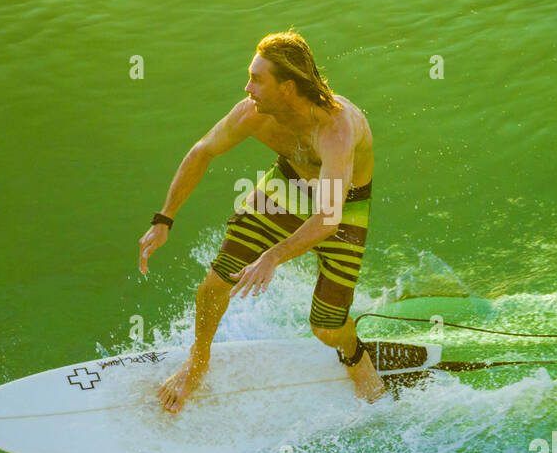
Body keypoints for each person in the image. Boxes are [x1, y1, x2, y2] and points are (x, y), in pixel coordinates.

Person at [138, 31, 383, 412]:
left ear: (287, 88)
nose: (247, 86)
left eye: (257, 79)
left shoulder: (336, 129)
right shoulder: (252, 114)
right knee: (216, 282)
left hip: (342, 205)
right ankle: (197, 364)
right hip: (288, 183)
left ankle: (355, 355)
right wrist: (163, 218)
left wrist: (272, 256)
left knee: (326, 328)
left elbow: (329, 217)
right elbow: (202, 152)